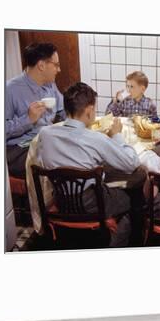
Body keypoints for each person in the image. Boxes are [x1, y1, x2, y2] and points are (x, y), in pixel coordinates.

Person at [37, 82, 140, 247]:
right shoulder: (96, 139)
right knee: (130, 198)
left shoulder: (45, 134)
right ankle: (116, 245)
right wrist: (117, 136)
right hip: (90, 203)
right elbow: (131, 163)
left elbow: (42, 161)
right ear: (90, 110)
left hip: (61, 199)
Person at [5, 43, 66, 179]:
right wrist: (28, 119)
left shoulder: (50, 84)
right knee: (59, 162)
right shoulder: (10, 90)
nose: (59, 69)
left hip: (45, 141)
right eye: (56, 65)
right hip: (19, 150)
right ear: (41, 66)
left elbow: (63, 110)